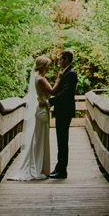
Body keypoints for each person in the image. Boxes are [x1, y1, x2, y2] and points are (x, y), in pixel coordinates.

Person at [6, 55, 54, 181]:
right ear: (43, 66)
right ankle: (37, 168)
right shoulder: (40, 79)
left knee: (39, 138)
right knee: (40, 139)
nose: (49, 68)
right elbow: (52, 91)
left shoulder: (37, 78)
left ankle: (40, 166)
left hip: (42, 109)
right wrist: (59, 79)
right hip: (42, 112)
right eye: (48, 65)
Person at [48, 49, 77, 178]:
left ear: (66, 59)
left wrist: (50, 102)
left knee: (63, 140)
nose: (59, 62)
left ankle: (62, 170)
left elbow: (66, 93)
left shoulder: (71, 73)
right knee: (61, 140)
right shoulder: (65, 73)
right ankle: (59, 167)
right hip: (62, 111)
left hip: (64, 111)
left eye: (60, 59)